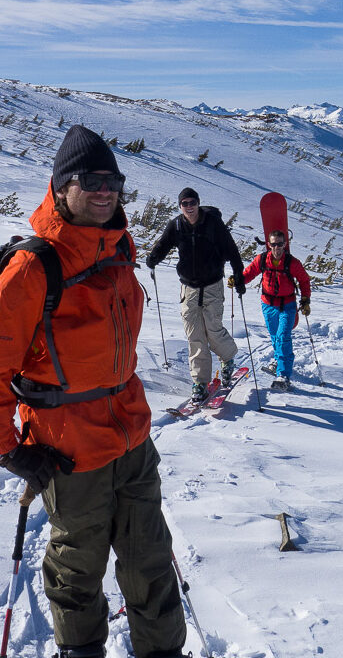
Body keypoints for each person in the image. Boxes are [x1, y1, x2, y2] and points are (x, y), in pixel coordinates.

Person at [0, 126, 190, 658]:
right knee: (78, 571)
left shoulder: (120, 246)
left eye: (113, 180)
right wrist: (11, 450)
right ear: (61, 187)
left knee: (151, 559)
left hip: (132, 440)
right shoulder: (32, 269)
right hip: (69, 451)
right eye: (90, 179)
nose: (104, 190)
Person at [146, 188, 245, 401]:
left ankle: (227, 358)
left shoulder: (213, 224)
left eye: (192, 202)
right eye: (184, 203)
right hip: (188, 288)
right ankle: (200, 382)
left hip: (212, 286)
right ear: (180, 206)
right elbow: (163, 245)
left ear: (198, 203)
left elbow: (231, 249)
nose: (189, 207)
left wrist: (239, 274)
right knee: (194, 335)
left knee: (213, 330)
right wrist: (153, 258)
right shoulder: (177, 225)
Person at [231, 230, 311, 389]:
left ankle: (283, 375)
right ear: (268, 244)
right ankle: (279, 360)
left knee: (283, 336)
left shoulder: (292, 262)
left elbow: (304, 280)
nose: (277, 248)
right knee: (275, 336)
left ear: (285, 244)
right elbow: (249, 274)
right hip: (267, 304)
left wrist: (305, 300)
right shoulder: (262, 260)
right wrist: (237, 280)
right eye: (273, 244)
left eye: (280, 244)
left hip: (287, 305)